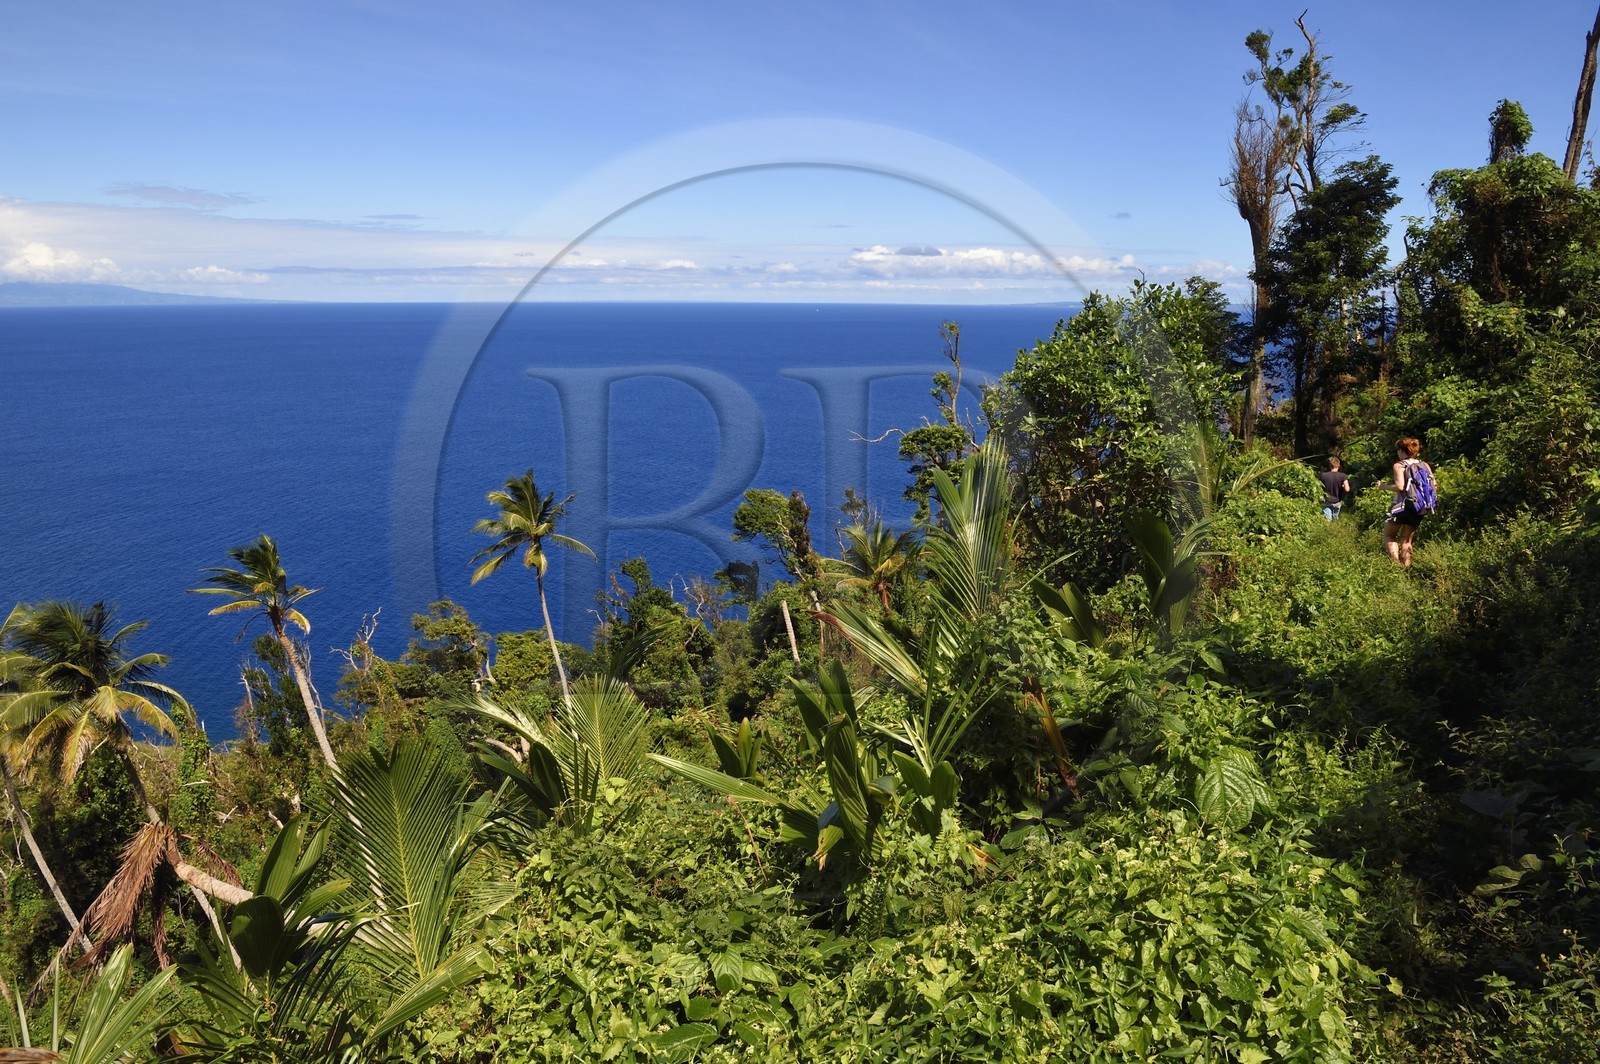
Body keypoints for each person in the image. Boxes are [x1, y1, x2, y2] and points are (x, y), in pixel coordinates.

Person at [1384, 437, 1430, 568]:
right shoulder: (1424, 465)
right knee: (1406, 539)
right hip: (1419, 507)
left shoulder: (1399, 465)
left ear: (1401, 450)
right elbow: (1434, 484)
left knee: (1389, 535)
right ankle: (1407, 567)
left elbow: (1400, 486)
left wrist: (1384, 486)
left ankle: (1396, 566)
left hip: (1401, 506)